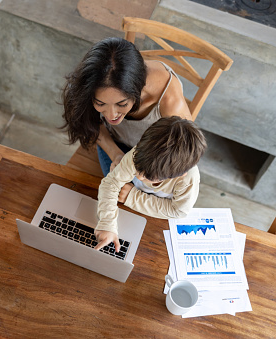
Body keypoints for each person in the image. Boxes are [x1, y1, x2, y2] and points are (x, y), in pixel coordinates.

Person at [62, 37, 192, 176]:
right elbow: (88, 122)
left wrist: (144, 184)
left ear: (137, 90)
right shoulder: (93, 80)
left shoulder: (170, 100)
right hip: (114, 142)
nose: (111, 116)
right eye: (100, 104)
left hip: (154, 155)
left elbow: (185, 161)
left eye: (122, 104)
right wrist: (116, 154)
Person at [93, 116, 207, 252]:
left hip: (146, 201)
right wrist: (107, 224)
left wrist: (132, 196)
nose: (139, 175)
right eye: (138, 167)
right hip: (130, 187)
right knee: (113, 172)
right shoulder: (140, 153)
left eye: (148, 176)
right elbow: (111, 183)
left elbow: (179, 211)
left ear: (177, 175)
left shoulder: (188, 179)